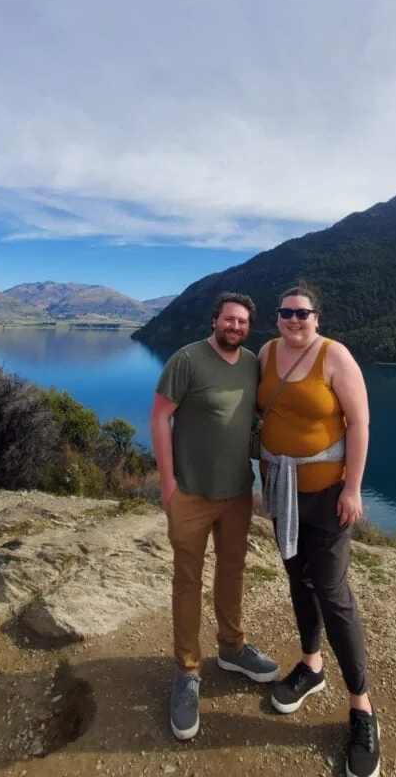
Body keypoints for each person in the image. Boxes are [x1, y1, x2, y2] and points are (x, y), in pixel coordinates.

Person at [258, 283, 380, 777]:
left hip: (328, 495)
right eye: (286, 312)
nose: (293, 320)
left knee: (332, 591)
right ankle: (311, 665)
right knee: (298, 580)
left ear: (316, 317)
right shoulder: (266, 352)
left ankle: (362, 707)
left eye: (302, 313)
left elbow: (360, 423)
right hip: (281, 492)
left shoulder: (335, 356)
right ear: (278, 316)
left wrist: (352, 488)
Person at [151, 291, 279, 741]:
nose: (235, 326)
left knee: (233, 572)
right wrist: (168, 484)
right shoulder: (186, 360)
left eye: (243, 322)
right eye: (229, 319)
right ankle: (187, 670)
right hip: (190, 493)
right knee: (187, 580)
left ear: (248, 327)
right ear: (215, 321)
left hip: (238, 494)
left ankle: (232, 647)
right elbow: (160, 417)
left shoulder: (251, 365)